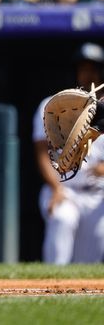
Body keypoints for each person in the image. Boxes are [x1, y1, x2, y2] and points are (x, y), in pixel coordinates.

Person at [33, 43, 104, 264]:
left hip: (98, 193)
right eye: (83, 68)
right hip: (66, 188)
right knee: (63, 218)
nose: (88, 74)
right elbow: (41, 152)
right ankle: (50, 285)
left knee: (90, 259)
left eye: (93, 69)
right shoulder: (54, 106)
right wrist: (56, 187)